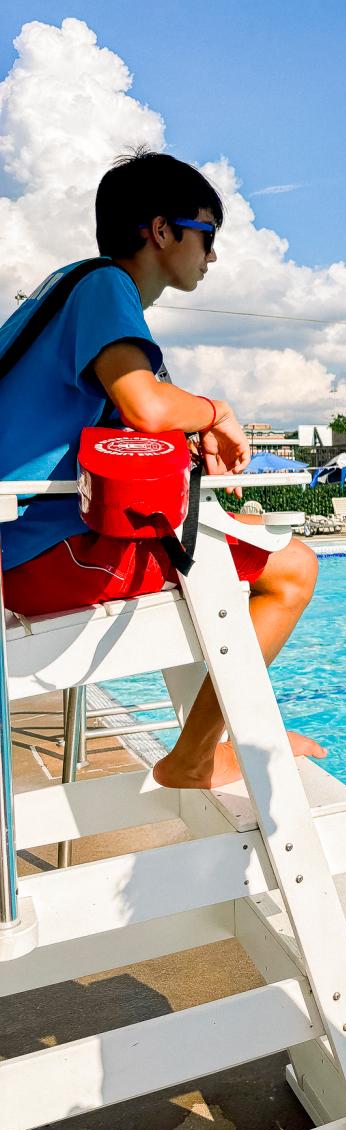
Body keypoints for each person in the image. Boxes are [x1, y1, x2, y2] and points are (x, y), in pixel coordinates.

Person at [0, 150, 324, 789]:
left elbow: (113, 432)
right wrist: (213, 411)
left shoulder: (65, 289)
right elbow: (145, 406)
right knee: (293, 570)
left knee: (241, 531)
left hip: (27, 543)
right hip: (41, 558)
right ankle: (193, 757)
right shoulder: (104, 287)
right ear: (161, 230)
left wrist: (191, 430)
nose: (212, 255)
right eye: (207, 234)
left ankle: (210, 740)